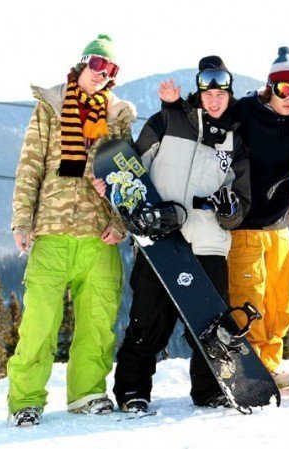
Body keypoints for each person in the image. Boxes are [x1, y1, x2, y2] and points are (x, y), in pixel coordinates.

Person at [95, 55, 251, 413]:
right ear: (199, 92)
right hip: (160, 241)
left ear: (229, 95)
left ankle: (210, 390)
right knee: (148, 322)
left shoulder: (235, 140)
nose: (214, 100)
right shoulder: (168, 120)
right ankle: (133, 391)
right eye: (208, 93)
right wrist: (113, 188)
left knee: (210, 326)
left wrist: (230, 211)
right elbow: (132, 168)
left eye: (221, 94)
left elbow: (240, 205)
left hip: (209, 243)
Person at [160, 47, 289, 388]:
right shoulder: (245, 111)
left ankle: (269, 365)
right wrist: (173, 106)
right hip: (247, 225)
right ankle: (250, 367)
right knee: (251, 301)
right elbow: (207, 116)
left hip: (281, 226)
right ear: (270, 86)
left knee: (281, 304)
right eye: (283, 89)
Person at [7, 34, 136, 426]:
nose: (103, 74)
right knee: (39, 323)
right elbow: (30, 166)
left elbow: (128, 175)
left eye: (111, 70)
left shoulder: (118, 116)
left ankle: (87, 393)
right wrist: (22, 220)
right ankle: (25, 400)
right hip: (52, 229)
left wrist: (120, 223)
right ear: (83, 63)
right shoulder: (50, 106)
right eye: (98, 65)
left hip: (99, 234)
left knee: (98, 320)